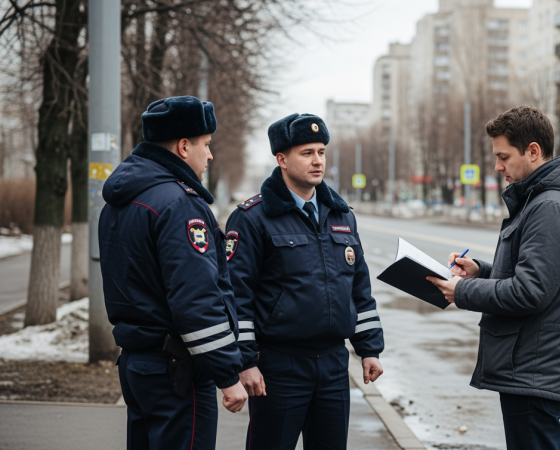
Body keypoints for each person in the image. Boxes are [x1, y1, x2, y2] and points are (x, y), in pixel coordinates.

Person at [428, 105, 560, 450]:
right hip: (530, 364)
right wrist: (481, 271)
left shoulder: (551, 206)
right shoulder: (541, 200)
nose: (497, 166)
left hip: (534, 367)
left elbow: (530, 292)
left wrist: (462, 290)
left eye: (504, 156)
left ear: (533, 151)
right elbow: (531, 278)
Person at [225, 113, 384, 450]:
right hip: (279, 366)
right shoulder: (253, 218)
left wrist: (369, 348)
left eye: (321, 152)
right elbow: (237, 296)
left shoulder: (341, 216)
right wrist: (246, 362)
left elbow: (358, 289)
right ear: (281, 159)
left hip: (333, 364)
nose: (317, 161)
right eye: (306, 152)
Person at [99, 96, 248, 450]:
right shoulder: (179, 204)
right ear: (184, 146)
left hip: (137, 364)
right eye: (206, 144)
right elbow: (196, 299)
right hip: (176, 370)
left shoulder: (122, 199)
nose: (210, 155)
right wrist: (227, 376)